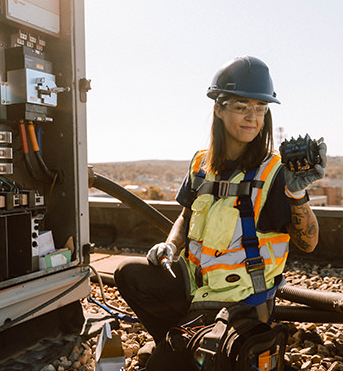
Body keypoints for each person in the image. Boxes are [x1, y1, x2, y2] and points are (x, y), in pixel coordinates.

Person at [114, 56, 327, 344]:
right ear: (218, 109)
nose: (253, 118)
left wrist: (297, 195)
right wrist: (170, 245)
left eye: (260, 109)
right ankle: (175, 341)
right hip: (195, 286)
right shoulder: (201, 164)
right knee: (128, 273)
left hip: (242, 302)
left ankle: (180, 345)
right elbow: (187, 215)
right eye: (242, 108)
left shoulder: (274, 172)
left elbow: (309, 244)